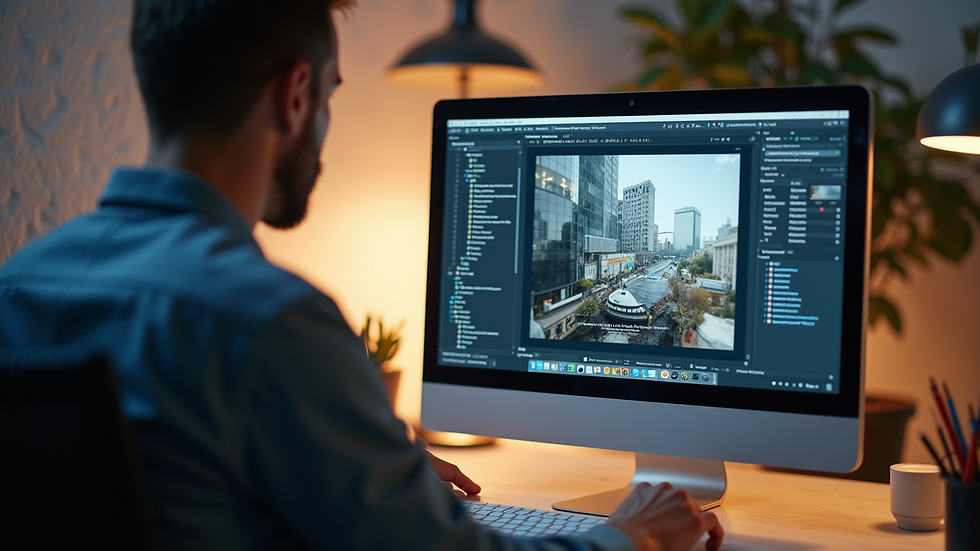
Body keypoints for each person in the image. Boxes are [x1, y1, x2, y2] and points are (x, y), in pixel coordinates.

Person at [0, 1, 724, 550]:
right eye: (332, 95)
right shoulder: (273, 325)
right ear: (295, 96)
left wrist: (364, 456)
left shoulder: (19, 284)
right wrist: (630, 534)